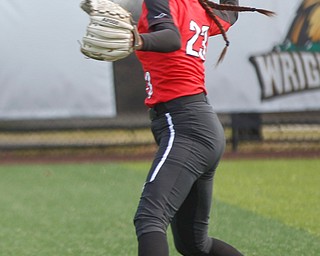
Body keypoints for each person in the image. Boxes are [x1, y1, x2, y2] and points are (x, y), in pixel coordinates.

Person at [131, 0, 271, 255]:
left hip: (185, 126)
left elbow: (171, 39)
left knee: (149, 218)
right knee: (194, 244)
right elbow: (229, 14)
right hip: (199, 126)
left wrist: (137, 41)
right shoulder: (195, 5)